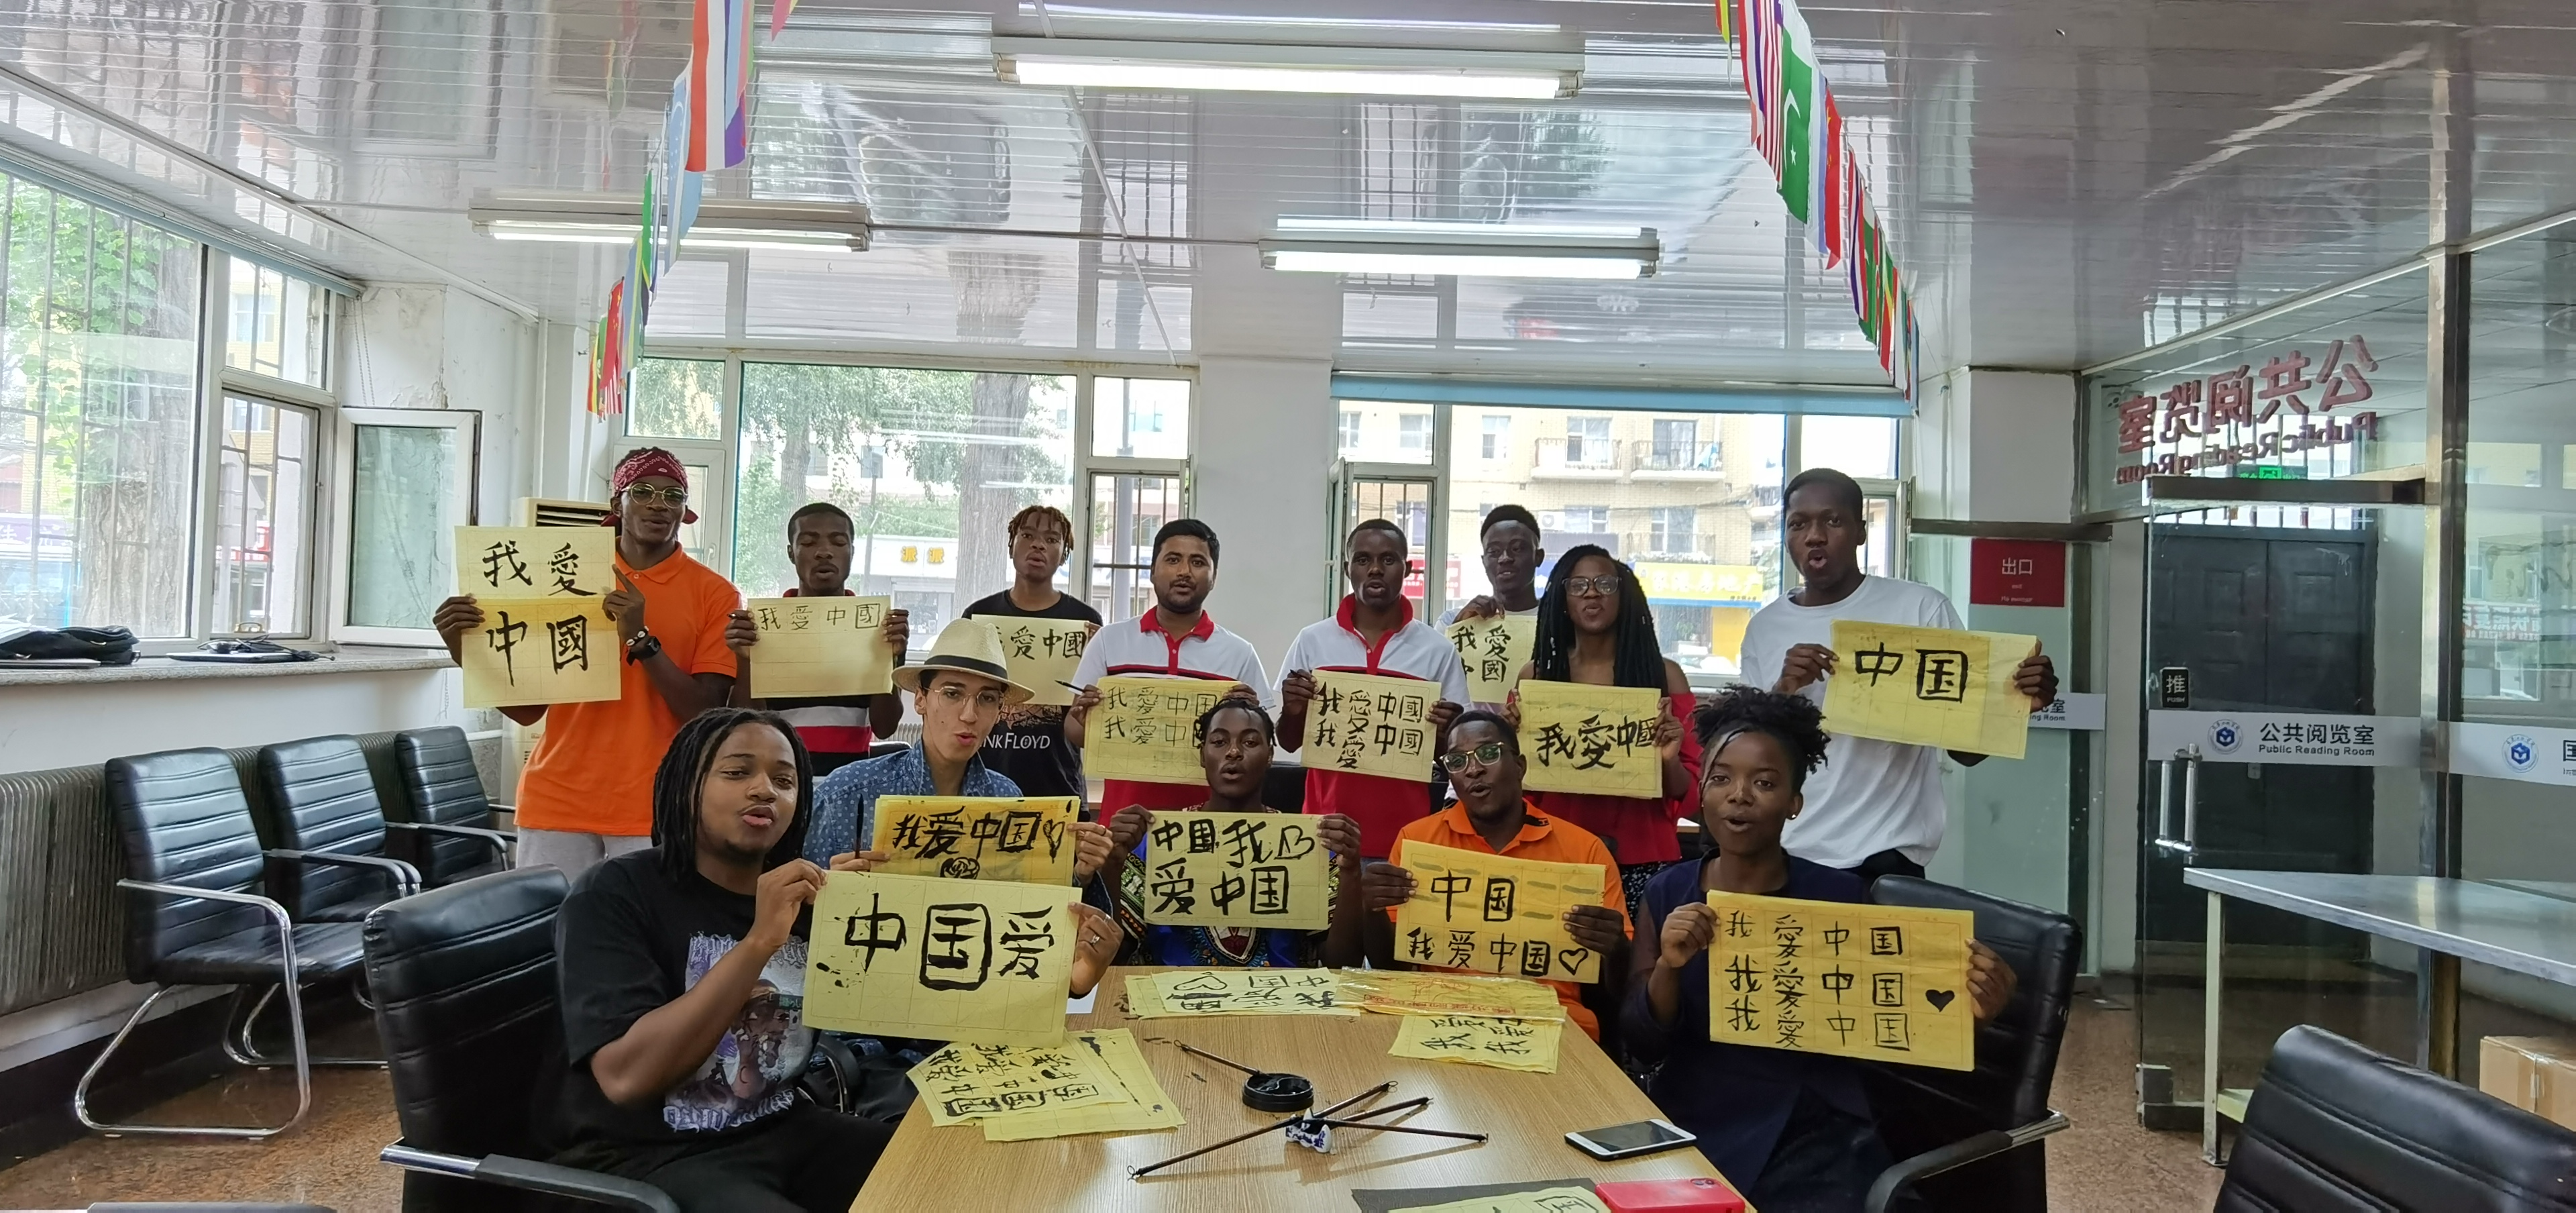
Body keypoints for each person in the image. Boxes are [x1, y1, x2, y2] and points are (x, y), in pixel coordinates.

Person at [549, 708, 1123, 1213]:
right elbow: (626, 1079)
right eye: (737, 772)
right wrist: (758, 943)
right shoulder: (616, 893)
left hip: (778, 1125)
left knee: (968, 1177)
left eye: (784, 780)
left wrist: (1064, 982)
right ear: (684, 784)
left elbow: (934, 999)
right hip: (648, 1159)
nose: (764, 791)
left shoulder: (809, 901)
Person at [1623, 688, 2018, 1212]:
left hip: (1813, 1122)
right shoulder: (1668, 891)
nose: (1739, 796)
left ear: (1795, 803)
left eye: (1765, 783)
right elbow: (1643, 1041)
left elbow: (1900, 1031)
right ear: (1702, 792)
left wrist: (1974, 1015)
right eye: (1721, 779)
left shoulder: (1842, 898)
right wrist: (1670, 968)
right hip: (1694, 1113)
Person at [1738, 468, 2059, 883]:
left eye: (1832, 521)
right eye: (1798, 524)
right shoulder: (1765, 628)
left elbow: (1965, 752)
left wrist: (2013, 706)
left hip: (1887, 856)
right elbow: (1747, 752)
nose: (1814, 536)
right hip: (1785, 851)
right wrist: (1784, 691)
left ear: (1861, 531)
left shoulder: (1920, 610)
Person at [435, 448, 740, 878]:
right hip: (557, 798)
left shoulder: (716, 593)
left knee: (645, 923)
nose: (659, 504)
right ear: (618, 504)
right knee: (552, 921)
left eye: (673, 496)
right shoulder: (563, 573)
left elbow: (705, 712)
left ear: (685, 512)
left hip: (659, 801)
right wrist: (463, 649)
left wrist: (640, 639)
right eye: (643, 492)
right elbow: (526, 711)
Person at [1360, 712, 1632, 1041]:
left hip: (1552, 1024)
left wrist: (1616, 947)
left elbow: (1622, 986)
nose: (1473, 769)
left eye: (1488, 753)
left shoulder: (1585, 850)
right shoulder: (1417, 842)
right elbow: (1392, 969)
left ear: (1519, 766)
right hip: (1440, 1018)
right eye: (1457, 761)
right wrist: (1371, 910)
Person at [805, 619, 1111, 884]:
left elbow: (1021, 903)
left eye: (987, 699)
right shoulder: (845, 794)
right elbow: (796, 912)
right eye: (952, 694)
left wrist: (1080, 874)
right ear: (921, 700)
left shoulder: (1007, 800)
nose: (969, 715)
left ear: (1000, 712)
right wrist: (827, 889)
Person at [1095, 699, 1372, 967]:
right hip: (1167, 993)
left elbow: (1342, 962)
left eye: (1249, 742)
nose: (1233, 752)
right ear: (1202, 755)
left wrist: (1351, 872)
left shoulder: (1306, 845)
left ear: (1270, 756)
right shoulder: (1155, 842)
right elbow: (1113, 956)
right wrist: (1113, 864)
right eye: (1219, 742)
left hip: (1281, 995)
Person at [1508, 545, 1703, 910]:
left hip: (1644, 859)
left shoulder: (1665, 676)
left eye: (1605, 584)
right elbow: (1517, 790)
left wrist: (1668, 759)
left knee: (1641, 949)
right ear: (1562, 599)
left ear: (1624, 594)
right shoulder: (1536, 677)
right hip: (1553, 854)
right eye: (1578, 585)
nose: (1592, 593)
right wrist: (1511, 741)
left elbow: (1692, 796)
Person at [1277, 519, 1469, 859]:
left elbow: (1453, 757)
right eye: (1363, 559)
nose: (1376, 569)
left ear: (1408, 568)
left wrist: (1447, 731)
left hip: (1407, 837)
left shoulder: (1438, 650)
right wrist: (1293, 710)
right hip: (1325, 835)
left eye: (1388, 559)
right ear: (1348, 568)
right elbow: (1289, 742)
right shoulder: (1312, 640)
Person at [1065, 519, 1272, 815]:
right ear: (1152, 570)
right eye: (1173, 560)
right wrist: (1085, 720)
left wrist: (1250, 716)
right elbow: (1074, 730)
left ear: (1214, 577)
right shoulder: (1110, 641)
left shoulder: (1239, 653)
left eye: (1198, 562)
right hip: (1126, 822)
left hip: (1208, 826)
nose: (1184, 571)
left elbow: (1261, 745)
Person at [723, 503, 908, 777]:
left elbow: (885, 727)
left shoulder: (874, 627)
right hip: (781, 782)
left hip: (849, 782)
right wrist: (745, 659)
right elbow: (747, 724)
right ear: (791, 552)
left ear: (852, 552)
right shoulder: (765, 626)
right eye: (808, 542)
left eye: (839, 542)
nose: (824, 552)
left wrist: (892, 657)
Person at [959, 505, 1103, 801]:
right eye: (1027, 535)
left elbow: (1092, 711)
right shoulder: (979, 615)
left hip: (1059, 783)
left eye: (1052, 539)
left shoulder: (1085, 621)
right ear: (1011, 545)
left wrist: (1099, 653)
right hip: (984, 781)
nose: (1038, 545)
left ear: (1064, 555)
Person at [1438, 504, 1546, 628]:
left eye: (1517, 549)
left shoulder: (1557, 620)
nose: (1505, 558)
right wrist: (1458, 629)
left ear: (1538, 557)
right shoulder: (1451, 621)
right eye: (1494, 551)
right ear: (1484, 561)